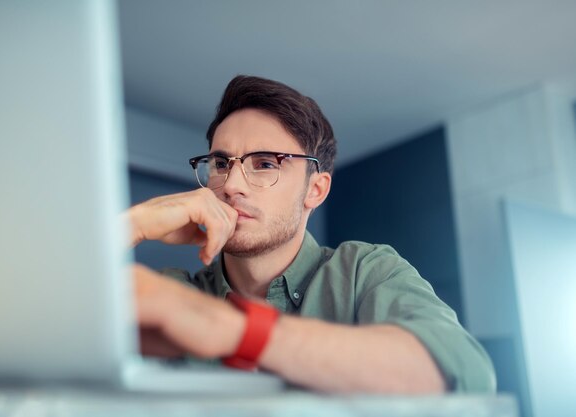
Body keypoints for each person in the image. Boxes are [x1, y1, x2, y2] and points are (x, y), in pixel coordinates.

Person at [128, 75, 496, 394]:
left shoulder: (364, 272)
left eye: (265, 164)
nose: (231, 184)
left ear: (315, 190)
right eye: (221, 164)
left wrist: (236, 331)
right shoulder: (177, 295)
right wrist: (133, 224)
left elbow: (463, 371)